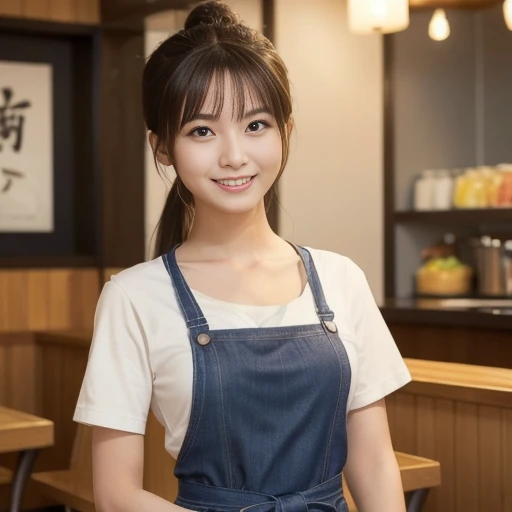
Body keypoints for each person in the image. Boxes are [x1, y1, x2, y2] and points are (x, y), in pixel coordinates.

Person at [73, 2, 412, 511]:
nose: (234, 155)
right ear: (162, 146)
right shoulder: (133, 298)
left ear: (286, 132)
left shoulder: (342, 279)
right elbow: (116, 494)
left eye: (256, 125)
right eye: (202, 131)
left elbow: (374, 463)